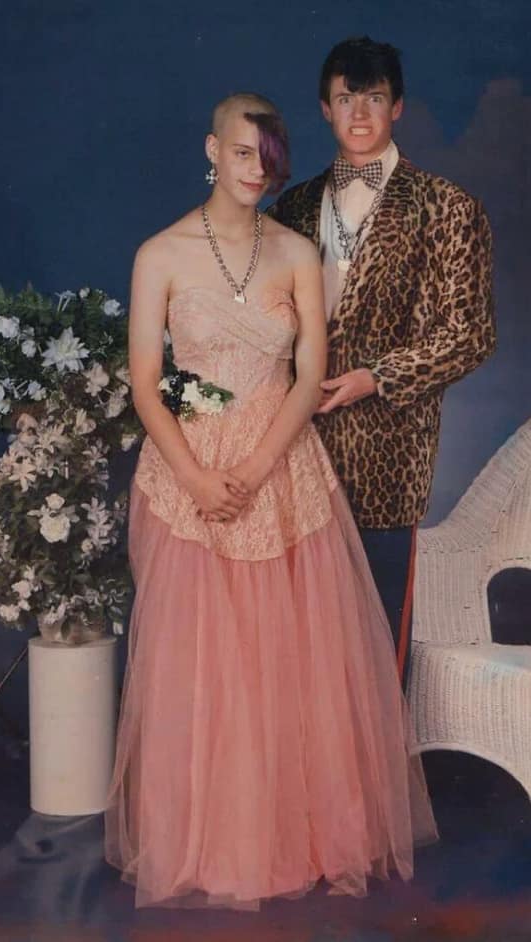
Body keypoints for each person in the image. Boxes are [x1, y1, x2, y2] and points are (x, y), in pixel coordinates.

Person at [105, 92, 437, 910]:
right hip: (188, 474)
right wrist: (194, 470)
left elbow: (303, 378)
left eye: (270, 157)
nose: (258, 169)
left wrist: (254, 466)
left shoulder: (296, 254)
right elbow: (148, 384)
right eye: (243, 153)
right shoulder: (160, 255)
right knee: (198, 665)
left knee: (290, 667)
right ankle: (207, 842)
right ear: (211, 150)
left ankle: (297, 838)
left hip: (282, 469)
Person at [268, 37, 496, 686]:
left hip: (388, 457)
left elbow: (470, 334)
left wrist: (378, 377)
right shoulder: (290, 208)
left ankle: (378, 787)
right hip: (297, 452)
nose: (360, 114)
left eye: (373, 98)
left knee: (373, 652)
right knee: (299, 643)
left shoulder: (449, 207)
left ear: (397, 107)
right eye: (346, 99)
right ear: (324, 108)